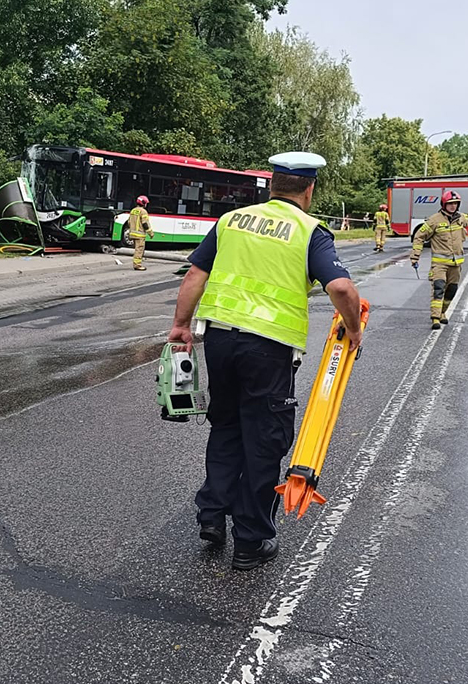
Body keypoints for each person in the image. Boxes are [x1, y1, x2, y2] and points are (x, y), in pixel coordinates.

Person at [167, 151, 363, 571]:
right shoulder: (310, 231)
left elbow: (193, 276)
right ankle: (251, 541)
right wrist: (354, 328)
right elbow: (343, 289)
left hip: (219, 339)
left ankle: (212, 517)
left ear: (271, 185)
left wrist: (182, 325)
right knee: (264, 440)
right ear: (309, 188)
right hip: (268, 349)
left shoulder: (232, 221)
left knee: (226, 427)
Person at [411, 191, 468, 329]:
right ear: (444, 204)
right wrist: (415, 256)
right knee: (438, 288)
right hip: (439, 264)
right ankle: (435, 318)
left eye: (455, 203)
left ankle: (442, 313)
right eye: (450, 204)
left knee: (451, 290)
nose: (453, 206)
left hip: (456, 264)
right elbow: (419, 236)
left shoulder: (460, 218)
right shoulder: (434, 220)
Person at [127, 196, 154, 271]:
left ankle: (136, 263)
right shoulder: (143, 211)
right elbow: (145, 223)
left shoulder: (133, 210)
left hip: (132, 234)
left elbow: (129, 222)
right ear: (144, 203)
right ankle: (137, 265)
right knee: (139, 250)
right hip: (140, 235)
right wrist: (150, 233)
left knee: (136, 249)